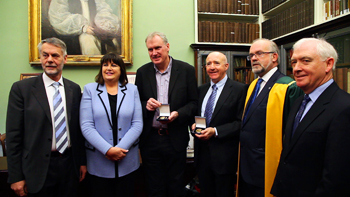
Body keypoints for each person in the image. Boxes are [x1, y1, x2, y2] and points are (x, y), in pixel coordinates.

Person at [6, 37, 86, 197]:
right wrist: (16, 176)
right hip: (36, 169)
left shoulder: (74, 89)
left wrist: (82, 162)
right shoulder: (22, 89)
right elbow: (13, 136)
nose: (50, 60)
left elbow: (77, 130)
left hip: (69, 166)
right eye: (45, 55)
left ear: (65, 58)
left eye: (55, 56)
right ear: (40, 58)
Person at [271, 38, 350, 197]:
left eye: (305, 61)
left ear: (328, 64)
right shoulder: (300, 101)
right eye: (293, 62)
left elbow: (337, 176)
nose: (296, 68)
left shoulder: (344, 107)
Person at [135, 32, 198, 196]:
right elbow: (136, 104)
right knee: (154, 186)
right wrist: (146, 105)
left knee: (176, 186)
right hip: (151, 139)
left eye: (157, 48)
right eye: (150, 49)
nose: (154, 53)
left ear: (167, 47)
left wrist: (178, 113)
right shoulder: (142, 73)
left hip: (175, 138)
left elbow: (194, 103)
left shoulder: (186, 70)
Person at [238, 38, 303, 197]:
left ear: (274, 57)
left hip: (266, 168)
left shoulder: (288, 87)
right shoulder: (253, 85)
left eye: (259, 53)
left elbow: (292, 135)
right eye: (251, 55)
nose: (253, 58)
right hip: (246, 165)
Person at [80, 53, 143, 196]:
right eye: (105, 65)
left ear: (121, 69)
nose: (109, 68)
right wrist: (107, 150)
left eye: (114, 65)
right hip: (99, 161)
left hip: (127, 160)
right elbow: (86, 125)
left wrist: (120, 149)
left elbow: (137, 124)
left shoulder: (132, 90)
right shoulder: (90, 90)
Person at [191, 52, 247, 196]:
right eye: (208, 63)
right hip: (202, 156)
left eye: (216, 63)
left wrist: (215, 131)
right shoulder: (201, 90)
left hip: (224, 158)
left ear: (226, 66)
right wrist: (193, 127)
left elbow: (241, 123)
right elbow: (196, 117)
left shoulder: (239, 90)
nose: (212, 67)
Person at [48, 0, 120, 55]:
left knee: (113, 42)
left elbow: (104, 11)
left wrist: (102, 26)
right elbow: (59, 18)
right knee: (87, 39)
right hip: (71, 34)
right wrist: (83, 27)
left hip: (94, 30)